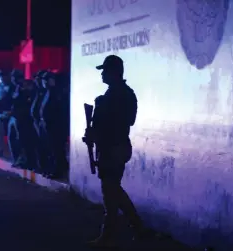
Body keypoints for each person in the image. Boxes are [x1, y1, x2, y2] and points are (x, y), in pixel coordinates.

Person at [84, 55, 149, 247]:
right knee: (112, 190)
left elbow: (122, 122)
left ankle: (114, 233)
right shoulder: (114, 95)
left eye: (105, 70)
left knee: (110, 190)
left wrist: (97, 132)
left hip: (115, 147)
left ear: (114, 72)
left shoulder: (120, 95)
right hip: (111, 147)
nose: (102, 74)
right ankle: (135, 229)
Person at [8, 69, 26, 167]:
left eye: (14, 77)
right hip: (13, 116)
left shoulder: (23, 87)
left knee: (21, 138)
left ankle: (22, 159)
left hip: (20, 117)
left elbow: (21, 101)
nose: (13, 79)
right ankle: (16, 159)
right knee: (12, 138)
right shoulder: (12, 87)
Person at [0, 70, 14, 157]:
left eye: (3, 77)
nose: (2, 79)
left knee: (12, 135)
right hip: (0, 113)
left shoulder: (13, 87)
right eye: (0, 77)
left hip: (11, 113)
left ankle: (14, 152)